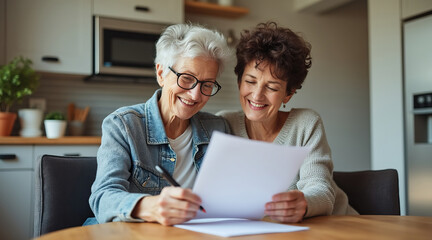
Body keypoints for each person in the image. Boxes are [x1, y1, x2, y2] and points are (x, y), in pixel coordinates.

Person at [88, 23, 232, 226]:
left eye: (207, 84)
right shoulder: (123, 125)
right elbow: (102, 198)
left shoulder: (218, 129)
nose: (195, 94)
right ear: (161, 73)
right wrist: (150, 207)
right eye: (187, 78)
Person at [218, 22, 358, 223]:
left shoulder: (306, 123)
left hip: (339, 227)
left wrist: (303, 203)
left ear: (288, 94)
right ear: (239, 82)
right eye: (250, 81)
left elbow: (322, 191)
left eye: (272, 87)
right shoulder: (224, 124)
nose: (257, 95)